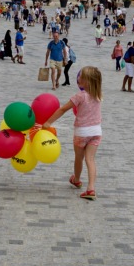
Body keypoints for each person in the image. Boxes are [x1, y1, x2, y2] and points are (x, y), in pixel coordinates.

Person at [43, 66, 102, 200]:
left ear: (88, 81)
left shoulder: (80, 96)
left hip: (82, 132)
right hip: (96, 131)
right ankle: (91, 188)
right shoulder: (98, 94)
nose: (78, 78)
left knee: (79, 158)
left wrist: (48, 122)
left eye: (81, 76)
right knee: (90, 159)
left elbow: (63, 109)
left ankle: (76, 179)